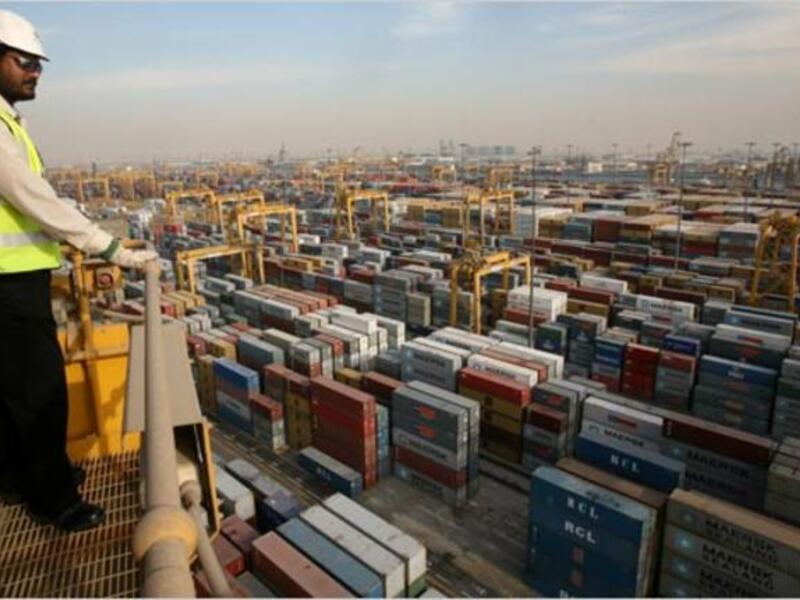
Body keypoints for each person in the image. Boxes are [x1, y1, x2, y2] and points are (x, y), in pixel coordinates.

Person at [0, 10, 157, 532]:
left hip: (12, 282)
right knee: (40, 392)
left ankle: (19, 475)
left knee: (12, 391)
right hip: (9, 287)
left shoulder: (8, 124)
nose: (36, 72)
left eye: (39, 64)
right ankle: (52, 499)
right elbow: (33, 199)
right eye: (25, 61)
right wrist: (110, 247)